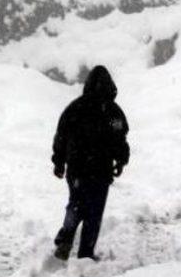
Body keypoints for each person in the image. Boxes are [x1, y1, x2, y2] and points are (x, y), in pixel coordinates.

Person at [51, 65, 130, 261]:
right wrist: (120, 161)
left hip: (77, 169)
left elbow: (61, 136)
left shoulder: (75, 108)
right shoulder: (113, 111)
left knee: (75, 205)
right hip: (101, 171)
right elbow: (120, 139)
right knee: (94, 213)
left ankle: (65, 241)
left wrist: (59, 162)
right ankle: (85, 253)